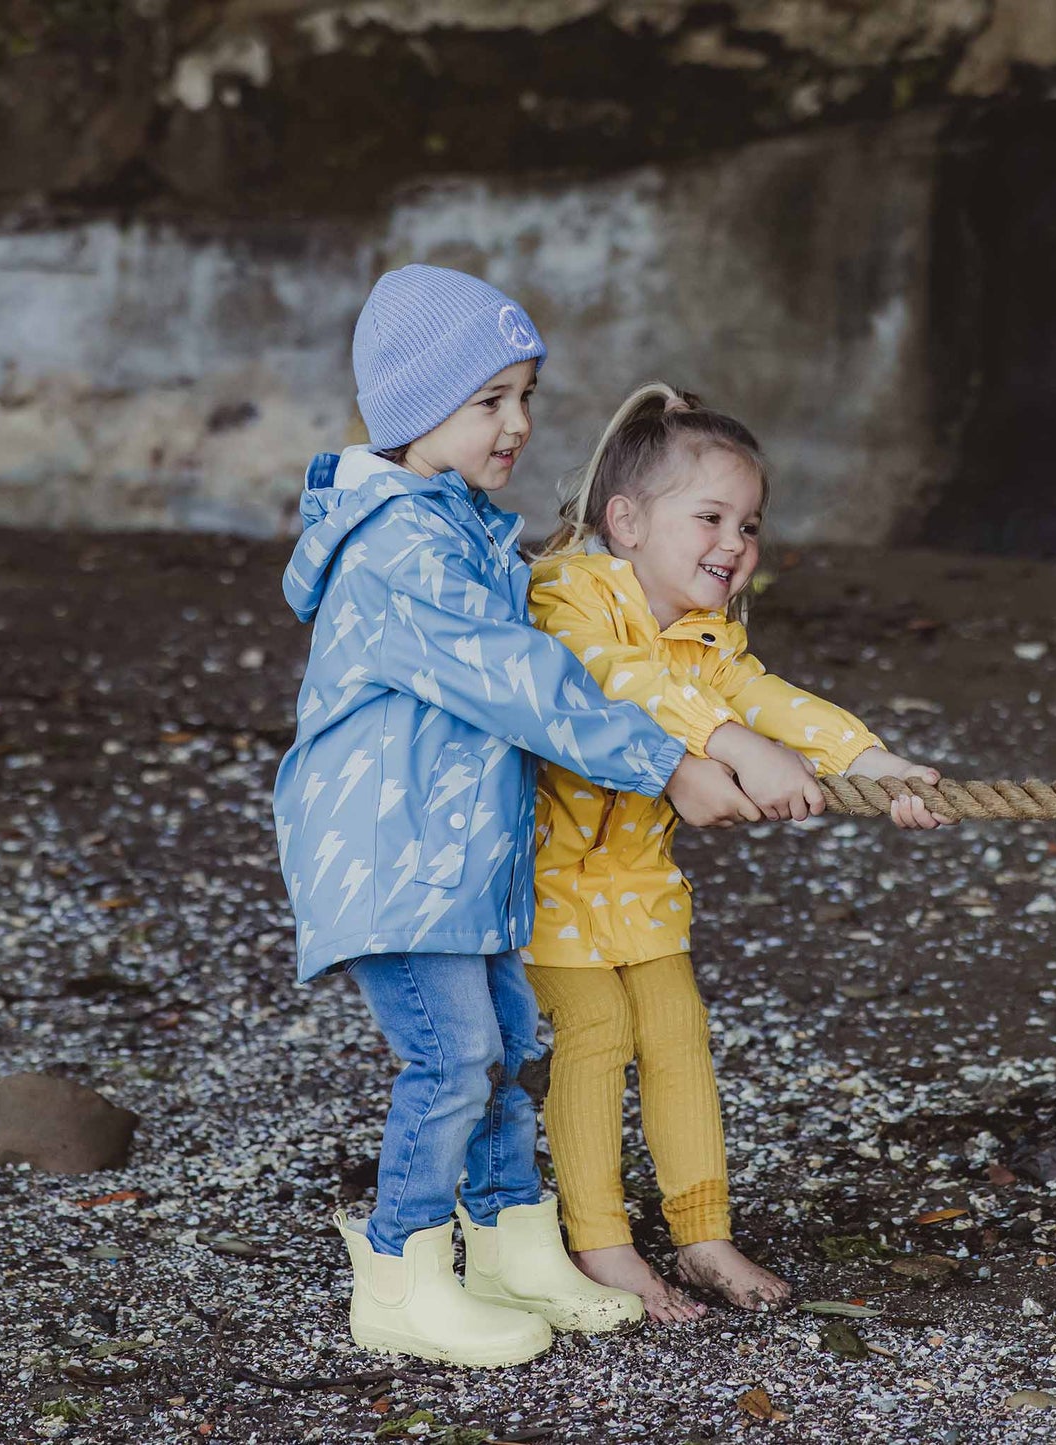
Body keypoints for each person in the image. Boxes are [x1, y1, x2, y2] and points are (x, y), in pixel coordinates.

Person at [273, 270, 719, 1367]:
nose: (517, 422)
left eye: (523, 394)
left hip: (464, 857)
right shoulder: (400, 550)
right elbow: (522, 679)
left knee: (509, 1043)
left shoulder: (460, 529)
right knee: (452, 1055)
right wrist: (664, 758)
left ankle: (511, 1240)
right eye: (488, 401)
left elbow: (554, 640)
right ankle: (401, 1272)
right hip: (394, 858)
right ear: (413, 411)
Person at [524, 382, 954, 1322]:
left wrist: (874, 763)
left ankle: (702, 1233)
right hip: (541, 882)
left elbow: (770, 699)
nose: (736, 543)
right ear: (626, 520)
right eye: (711, 516)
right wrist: (730, 744)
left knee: (678, 1041)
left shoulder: (705, 638)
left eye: (750, 524)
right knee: (594, 1038)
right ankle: (601, 1245)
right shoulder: (567, 597)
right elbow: (619, 679)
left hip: (639, 884)